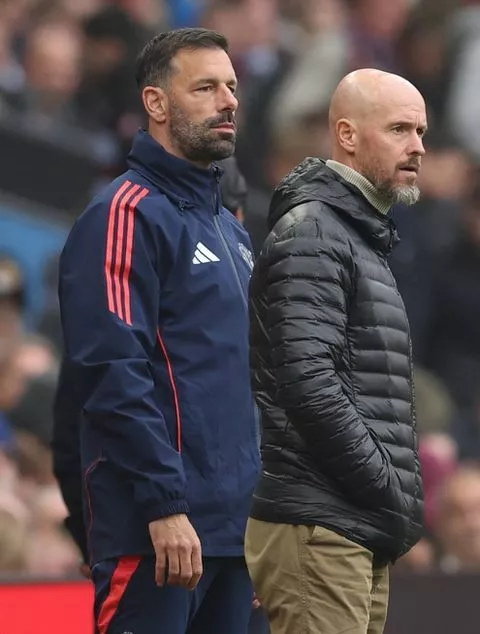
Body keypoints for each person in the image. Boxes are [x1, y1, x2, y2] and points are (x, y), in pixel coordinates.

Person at [53, 28, 260, 634]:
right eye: (205, 87)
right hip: (157, 531)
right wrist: (165, 504)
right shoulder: (125, 212)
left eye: (231, 86)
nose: (228, 101)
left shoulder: (232, 227)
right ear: (156, 103)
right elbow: (113, 370)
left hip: (231, 534)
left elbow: (246, 384)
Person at [245, 68, 426, 634]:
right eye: (399, 129)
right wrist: (385, 485)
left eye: (421, 132)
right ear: (346, 135)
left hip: (348, 521)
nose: (417, 147)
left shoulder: (355, 234)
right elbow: (309, 385)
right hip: (321, 521)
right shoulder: (315, 232)